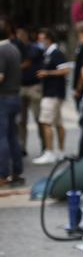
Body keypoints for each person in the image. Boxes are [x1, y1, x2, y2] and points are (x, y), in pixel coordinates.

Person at [33, 29, 70, 165]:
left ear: (49, 39)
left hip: (52, 93)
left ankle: (50, 151)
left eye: (42, 38)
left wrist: (47, 73)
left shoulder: (56, 53)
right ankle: (60, 151)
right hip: (52, 92)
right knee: (58, 122)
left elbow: (65, 70)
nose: (40, 41)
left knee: (45, 122)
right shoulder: (47, 53)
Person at [0, 24, 24, 186]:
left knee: (1, 137)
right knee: (12, 136)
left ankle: (2, 174)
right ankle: (16, 171)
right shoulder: (14, 48)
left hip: (3, 98)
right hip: (14, 96)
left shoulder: (1, 50)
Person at [15, 27, 44, 156]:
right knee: (21, 120)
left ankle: (44, 146)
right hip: (21, 87)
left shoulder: (34, 48)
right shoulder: (15, 48)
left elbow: (27, 62)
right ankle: (21, 146)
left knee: (39, 117)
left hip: (34, 87)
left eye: (22, 35)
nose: (20, 37)